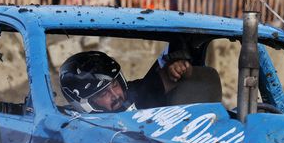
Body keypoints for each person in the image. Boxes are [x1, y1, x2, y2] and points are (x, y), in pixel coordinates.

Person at [59, 51, 190, 113]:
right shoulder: (75, 127)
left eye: (114, 85)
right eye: (103, 94)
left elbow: (177, 75)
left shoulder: (139, 92)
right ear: (86, 103)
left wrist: (178, 68)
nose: (115, 95)